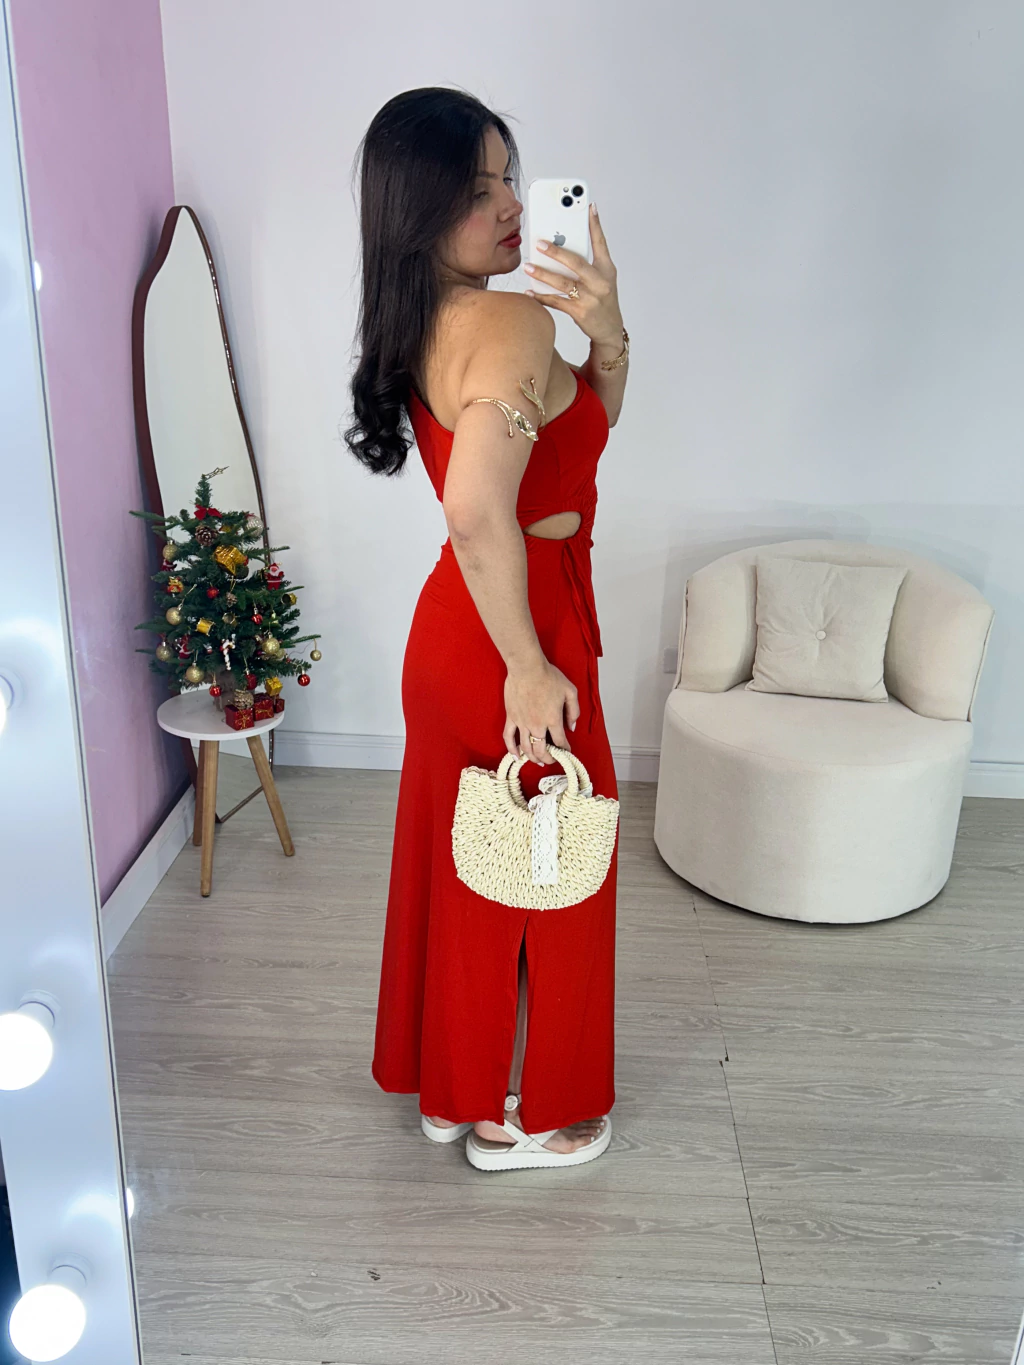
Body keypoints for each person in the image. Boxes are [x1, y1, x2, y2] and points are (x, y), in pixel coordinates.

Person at [345, 87, 629, 1171]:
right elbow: (476, 509)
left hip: (464, 628)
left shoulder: (431, 318)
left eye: (511, 176)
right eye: (478, 190)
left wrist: (608, 334)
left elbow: (572, 444)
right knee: (553, 876)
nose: (511, 204)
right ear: (419, 212)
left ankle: (452, 1088)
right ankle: (533, 1115)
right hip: (519, 631)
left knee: (473, 869)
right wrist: (528, 666)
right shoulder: (508, 322)